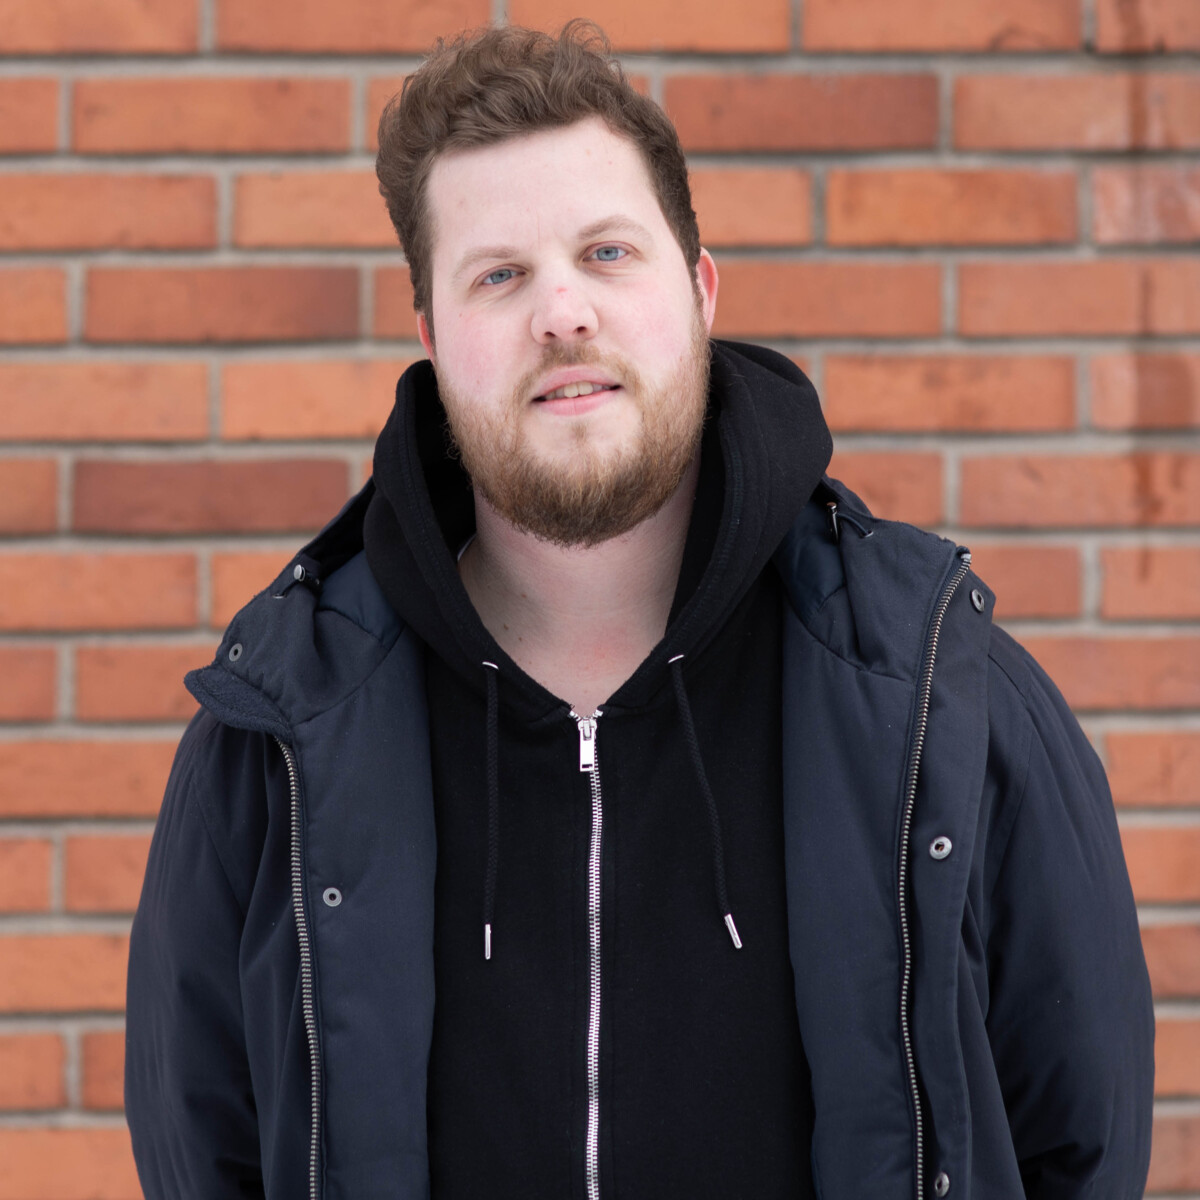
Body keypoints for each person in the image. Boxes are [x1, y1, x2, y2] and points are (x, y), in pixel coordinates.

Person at [125, 21, 1154, 1200]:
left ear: (700, 291)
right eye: (499, 275)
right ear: (432, 342)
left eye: (607, 253)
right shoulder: (278, 739)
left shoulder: (941, 702)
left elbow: (1081, 1141)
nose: (561, 311)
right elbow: (202, 1153)